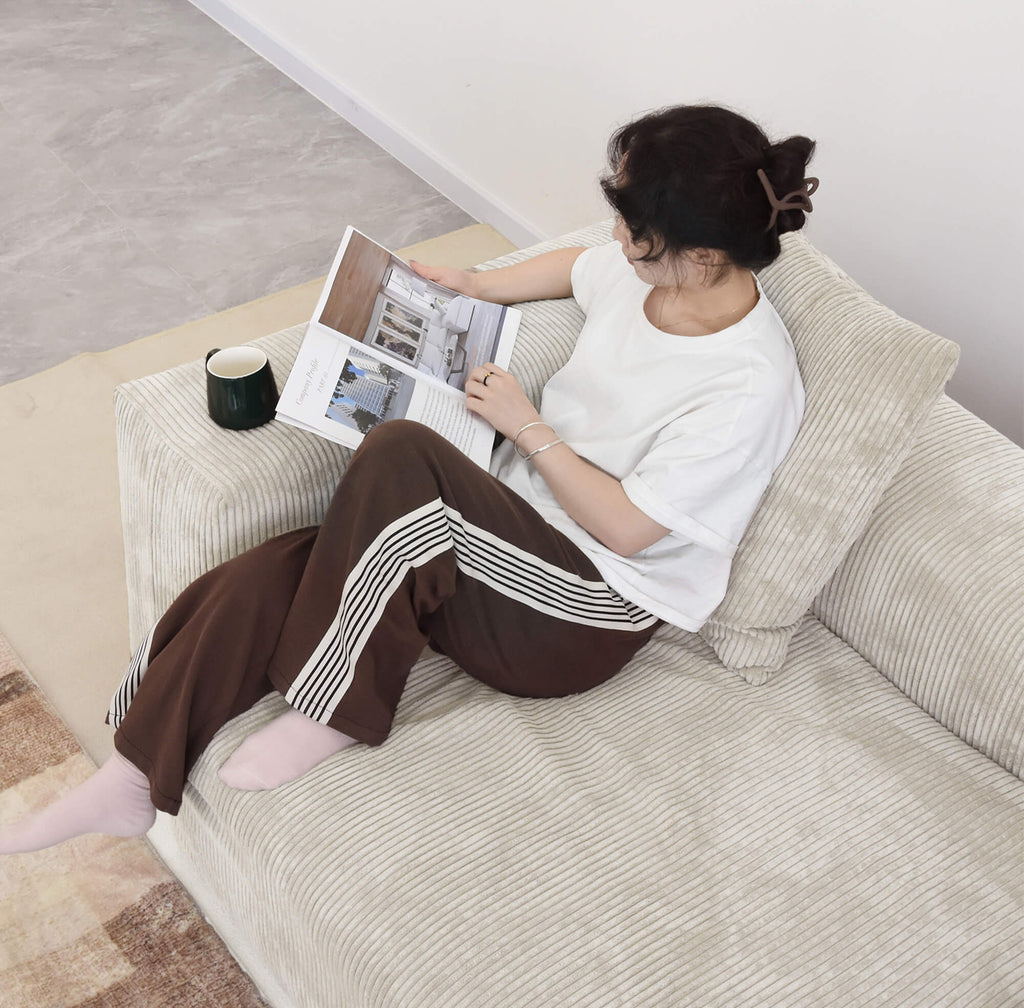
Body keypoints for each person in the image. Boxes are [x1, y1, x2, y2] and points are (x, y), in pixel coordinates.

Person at [0, 103, 816, 854]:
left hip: (585, 609)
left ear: (702, 256)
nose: (616, 234)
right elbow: (579, 267)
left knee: (401, 452)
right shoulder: (650, 275)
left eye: (633, 226)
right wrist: (475, 285)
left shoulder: (748, 382)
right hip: (510, 541)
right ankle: (132, 777)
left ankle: (334, 707)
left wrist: (524, 427)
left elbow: (633, 529)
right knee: (285, 562)